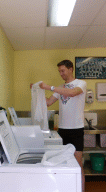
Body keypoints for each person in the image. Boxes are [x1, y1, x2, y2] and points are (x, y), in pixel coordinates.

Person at [38, 59, 87, 192]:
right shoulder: (60, 88)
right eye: (59, 71)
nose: (61, 73)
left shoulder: (81, 83)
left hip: (76, 129)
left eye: (63, 70)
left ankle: (81, 190)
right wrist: (38, 90)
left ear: (71, 69)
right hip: (62, 130)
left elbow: (72, 93)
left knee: (77, 164)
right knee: (63, 163)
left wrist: (49, 87)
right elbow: (48, 102)